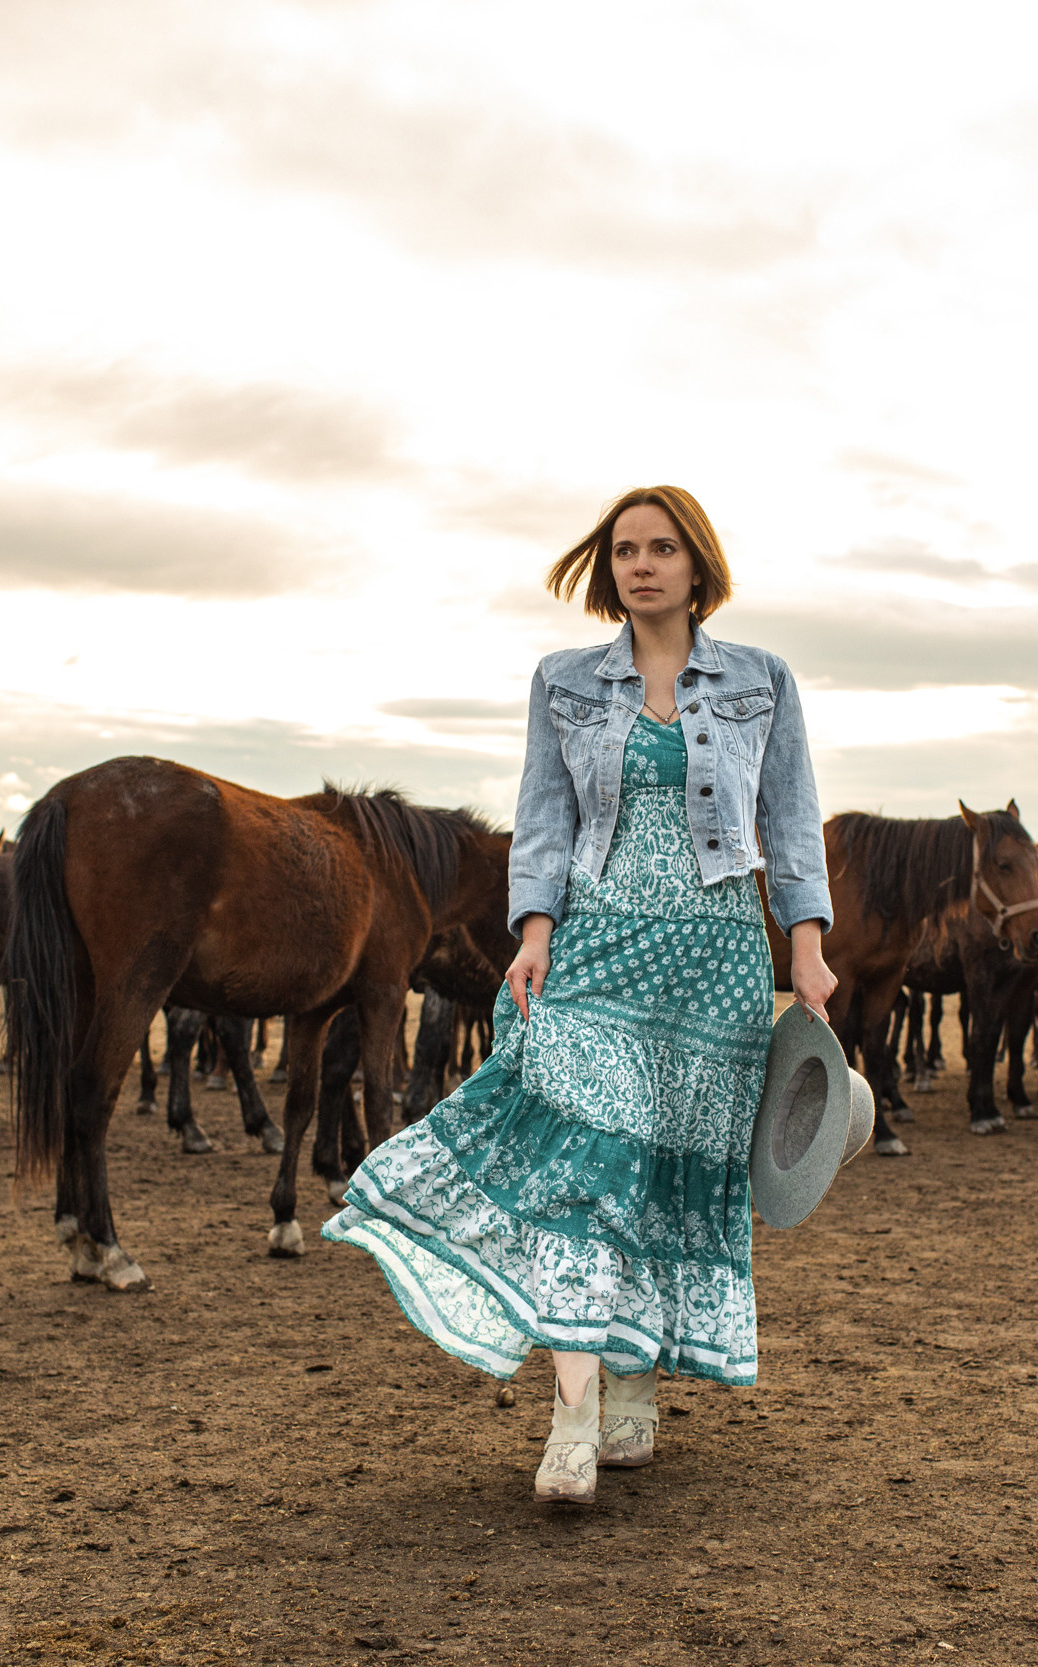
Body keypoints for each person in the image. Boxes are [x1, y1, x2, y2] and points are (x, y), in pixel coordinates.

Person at [324, 484, 837, 1505]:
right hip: (599, 948)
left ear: (698, 564)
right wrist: (533, 932)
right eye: (625, 550)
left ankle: (638, 1383)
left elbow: (790, 820)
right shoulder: (563, 681)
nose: (640, 564)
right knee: (589, 1171)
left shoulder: (761, 679)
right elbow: (544, 815)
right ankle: (573, 1417)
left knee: (666, 1174)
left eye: (661, 548)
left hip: (717, 961)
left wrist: (809, 948)